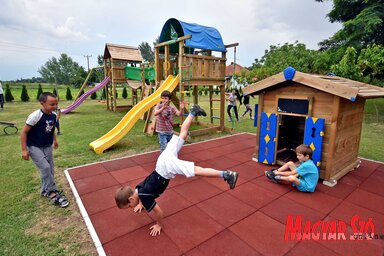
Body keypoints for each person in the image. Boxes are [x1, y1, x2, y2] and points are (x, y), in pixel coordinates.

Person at [115, 104, 239, 236]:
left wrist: (159, 224)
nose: (131, 207)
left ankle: (227, 174)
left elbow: (159, 212)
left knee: (196, 170)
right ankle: (193, 112)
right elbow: (140, 192)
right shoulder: (137, 190)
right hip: (162, 161)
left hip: (167, 167)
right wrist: (139, 204)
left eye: (129, 206)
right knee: (182, 135)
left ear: (130, 199)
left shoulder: (144, 197)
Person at [20, 92, 69, 208]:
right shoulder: (36, 116)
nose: (55, 106)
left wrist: (55, 140)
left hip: (47, 146)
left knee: (50, 169)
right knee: (45, 168)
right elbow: (24, 132)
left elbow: (51, 130)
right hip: (34, 146)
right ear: (42, 103)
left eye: (56, 104)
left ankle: (44, 190)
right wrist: (24, 150)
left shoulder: (53, 115)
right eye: (52, 104)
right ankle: (52, 192)